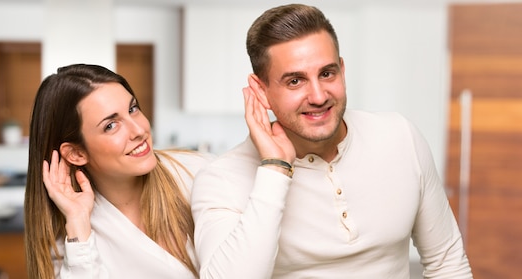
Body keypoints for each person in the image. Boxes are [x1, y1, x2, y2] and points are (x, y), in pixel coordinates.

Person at [190, 4, 472, 278]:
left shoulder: (401, 137)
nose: (318, 96)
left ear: (342, 70)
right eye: (295, 81)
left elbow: (447, 262)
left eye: (326, 73)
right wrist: (275, 168)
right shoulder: (221, 180)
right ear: (261, 92)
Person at [24, 64, 213, 279]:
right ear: (76, 153)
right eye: (111, 125)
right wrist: (78, 220)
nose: (139, 130)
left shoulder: (198, 171)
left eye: (133, 109)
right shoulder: (73, 242)